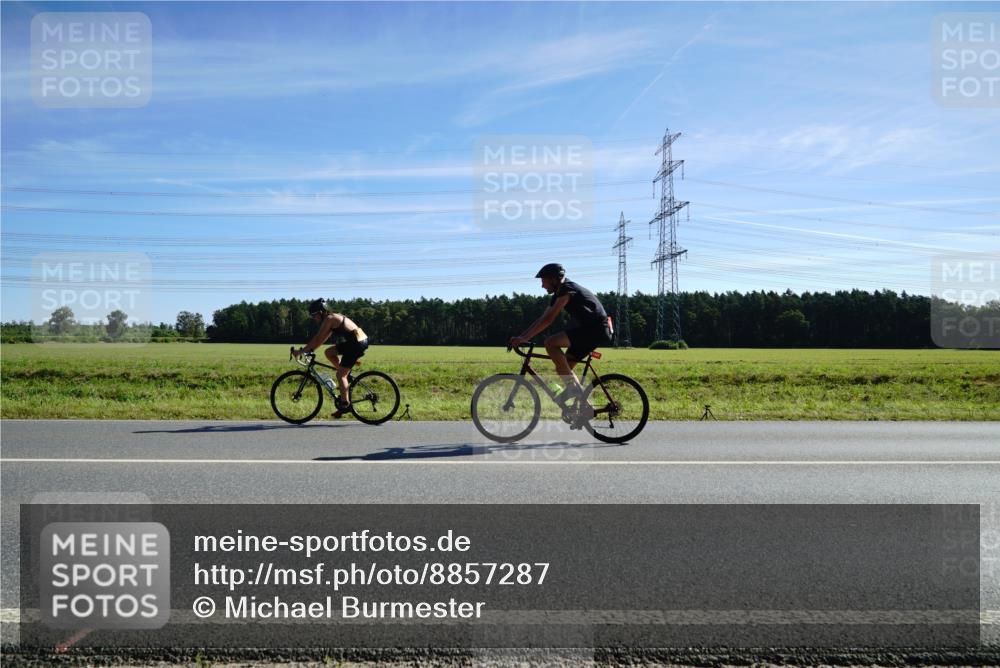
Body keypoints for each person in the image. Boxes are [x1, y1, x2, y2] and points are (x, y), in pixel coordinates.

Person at [510, 263, 613, 420]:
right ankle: (587, 408)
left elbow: (549, 320)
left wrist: (525, 338)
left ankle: (573, 390)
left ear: (553, 280)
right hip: (591, 330)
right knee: (563, 369)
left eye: (543, 281)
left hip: (595, 330)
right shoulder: (559, 293)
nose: (542, 285)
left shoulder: (567, 290)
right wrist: (522, 336)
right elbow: (542, 318)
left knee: (550, 343)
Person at [292, 299, 369, 418]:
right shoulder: (332, 318)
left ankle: (345, 405)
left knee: (340, 376)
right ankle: (344, 375)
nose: (314, 318)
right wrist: (310, 350)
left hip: (356, 343)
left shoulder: (330, 319)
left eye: (314, 315)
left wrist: (301, 351)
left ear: (321, 312)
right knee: (329, 352)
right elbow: (322, 340)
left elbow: (317, 338)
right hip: (358, 341)